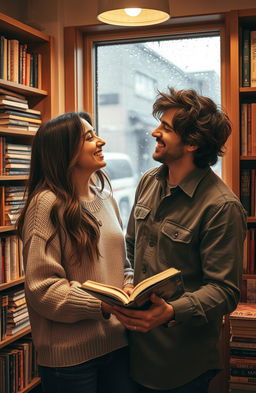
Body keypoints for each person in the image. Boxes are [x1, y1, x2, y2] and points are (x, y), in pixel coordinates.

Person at [111, 88, 247, 393]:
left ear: (192, 143)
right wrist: (130, 281)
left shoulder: (221, 206)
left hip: (182, 363)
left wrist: (171, 311)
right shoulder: (148, 181)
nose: (154, 131)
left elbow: (224, 291)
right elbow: (131, 246)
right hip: (131, 352)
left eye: (167, 128)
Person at [17, 112, 137, 393]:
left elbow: (123, 264)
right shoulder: (45, 205)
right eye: (89, 137)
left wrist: (128, 287)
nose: (101, 141)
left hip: (117, 344)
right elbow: (42, 289)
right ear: (65, 151)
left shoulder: (106, 198)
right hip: (70, 360)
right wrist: (102, 305)